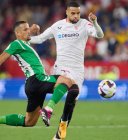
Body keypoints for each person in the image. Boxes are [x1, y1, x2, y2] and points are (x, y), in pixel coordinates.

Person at [30, 1, 104, 139]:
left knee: (73, 99)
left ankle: (59, 133)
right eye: (73, 13)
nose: (76, 16)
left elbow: (99, 35)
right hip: (61, 67)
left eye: (78, 13)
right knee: (67, 81)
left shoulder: (84, 24)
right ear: (67, 12)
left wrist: (95, 23)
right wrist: (25, 39)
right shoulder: (58, 26)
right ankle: (49, 108)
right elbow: (40, 39)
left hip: (78, 69)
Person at [0, 21, 73, 127]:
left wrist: (33, 29)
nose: (28, 31)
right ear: (18, 33)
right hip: (37, 78)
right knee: (67, 81)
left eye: (28, 28)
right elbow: (2, 58)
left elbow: (32, 32)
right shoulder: (16, 43)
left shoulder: (25, 44)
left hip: (32, 85)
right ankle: (49, 108)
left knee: (29, 122)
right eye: (25, 30)